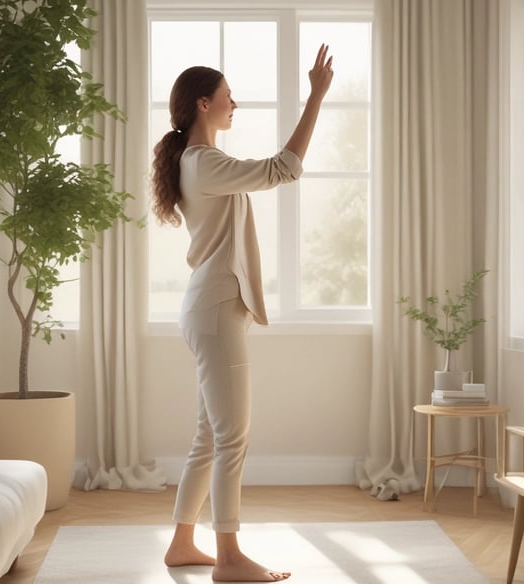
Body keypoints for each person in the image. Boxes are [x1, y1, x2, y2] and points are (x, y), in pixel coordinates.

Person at [149, 44, 333, 582]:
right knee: (233, 437)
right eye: (230, 97)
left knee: (210, 436)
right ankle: (228, 558)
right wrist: (316, 96)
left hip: (207, 306)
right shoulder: (202, 161)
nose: (237, 104)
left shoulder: (192, 161)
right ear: (204, 104)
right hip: (215, 308)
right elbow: (285, 168)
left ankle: (183, 544)